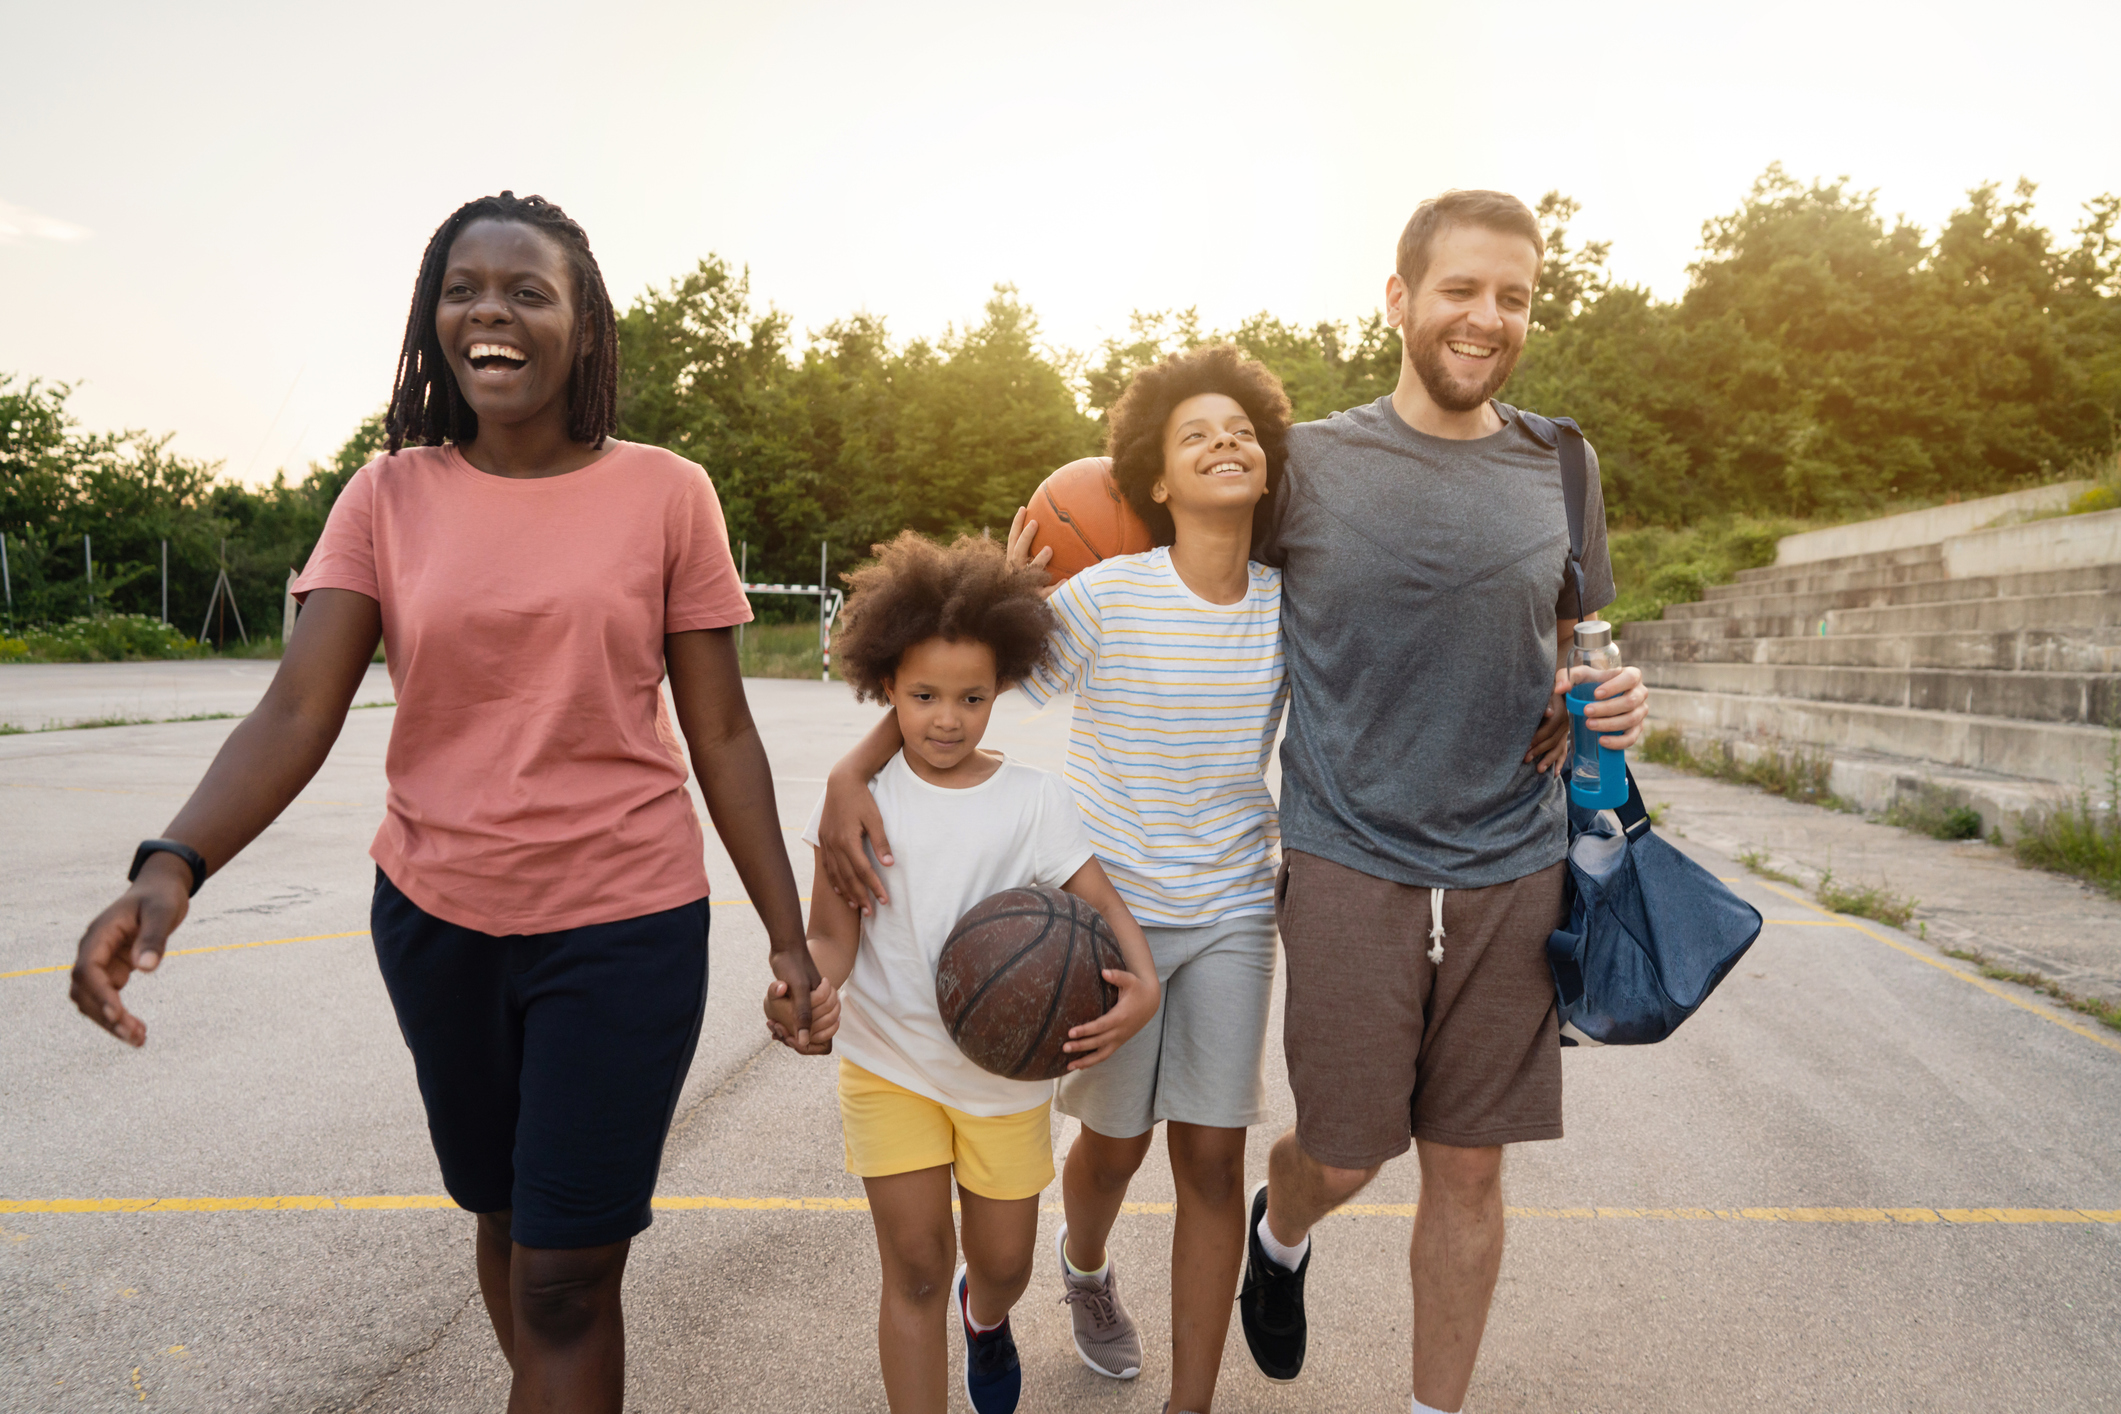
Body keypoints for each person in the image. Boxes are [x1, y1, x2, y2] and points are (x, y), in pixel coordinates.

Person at [66, 191, 819, 1414]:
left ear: (583, 326)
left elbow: (721, 729)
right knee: (509, 1221)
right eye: (464, 288)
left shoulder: (668, 492)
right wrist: (172, 863)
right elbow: (296, 711)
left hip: (624, 923)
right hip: (438, 921)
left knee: (570, 1276)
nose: (492, 312)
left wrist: (787, 934)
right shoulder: (387, 495)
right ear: (433, 319)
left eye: (529, 291)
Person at [815, 344, 1293, 1414]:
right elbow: (957, 684)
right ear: (1154, 481)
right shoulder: (1109, 595)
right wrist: (855, 768)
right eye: (1195, 433)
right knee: (1113, 1151)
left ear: (1266, 465)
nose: (1226, 441)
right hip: (1100, 911)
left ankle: (1191, 1401)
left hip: (1225, 912)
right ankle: (1083, 1269)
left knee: (1214, 1159)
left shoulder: (1284, 606)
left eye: (1242, 430)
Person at [1236, 189, 1650, 1414]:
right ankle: (1283, 1224)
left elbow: (1581, 640)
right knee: (1351, 1152)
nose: (1488, 318)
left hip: (1515, 858)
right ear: (1400, 299)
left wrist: (1607, 693)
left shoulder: (1562, 465)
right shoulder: (1304, 463)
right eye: (1462, 290)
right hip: (1347, 846)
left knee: (1470, 1172)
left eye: (1514, 297)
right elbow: (1179, 562)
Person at [765, 530, 1161, 1414]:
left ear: (1001, 689)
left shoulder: (1031, 800)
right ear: (884, 689)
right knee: (910, 1269)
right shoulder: (858, 806)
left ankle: (987, 1319)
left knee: (1005, 1266)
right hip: (890, 1065)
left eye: (972, 696)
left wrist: (1145, 984)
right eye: (923, 695)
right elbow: (830, 937)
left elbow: (1102, 904)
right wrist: (809, 986)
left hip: (1004, 1080)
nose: (947, 717)